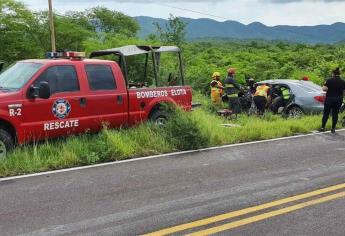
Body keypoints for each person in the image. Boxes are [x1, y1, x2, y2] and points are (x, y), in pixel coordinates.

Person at [320, 68, 345, 133]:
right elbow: (344, 92)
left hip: (330, 99)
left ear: (333, 73)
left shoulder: (329, 80)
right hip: (339, 99)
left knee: (326, 113)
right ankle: (333, 129)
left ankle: (323, 128)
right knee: (335, 113)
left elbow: (324, 89)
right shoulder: (343, 81)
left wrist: (325, 86)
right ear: (339, 74)